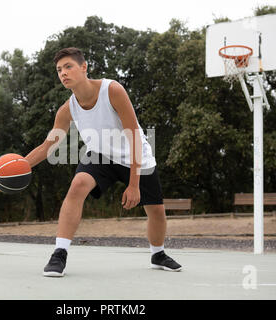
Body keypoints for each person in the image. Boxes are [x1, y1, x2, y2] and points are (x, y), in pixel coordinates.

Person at [24, 47, 182, 277]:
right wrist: (18, 167)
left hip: (135, 156)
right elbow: (48, 147)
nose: (63, 73)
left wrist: (134, 184)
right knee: (77, 185)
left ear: (84, 67)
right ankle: (59, 253)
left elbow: (134, 135)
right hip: (100, 155)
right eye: (59, 70)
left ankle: (158, 254)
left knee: (156, 211)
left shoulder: (112, 90)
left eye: (68, 66)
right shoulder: (67, 109)